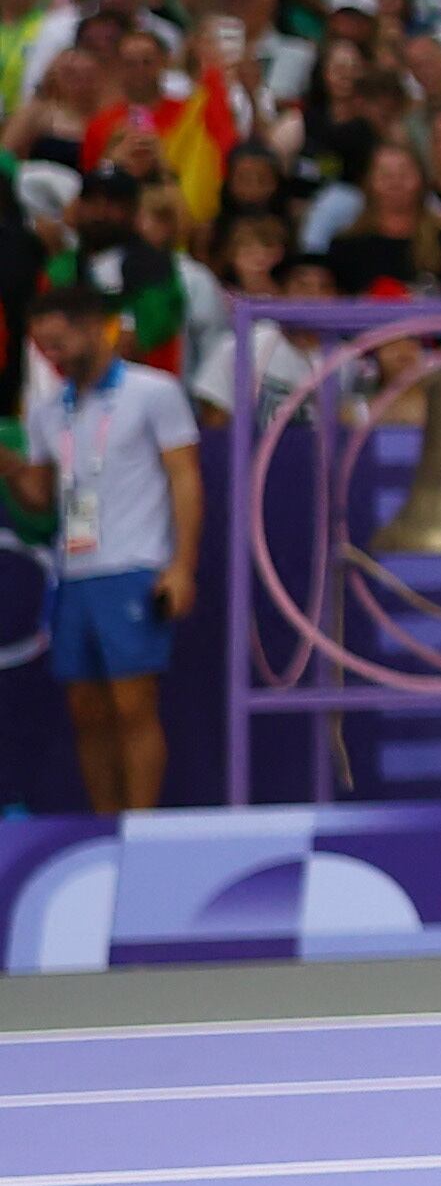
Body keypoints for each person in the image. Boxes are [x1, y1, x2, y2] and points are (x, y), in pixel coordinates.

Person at [12, 274, 201, 810]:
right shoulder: (49, 411)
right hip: (74, 574)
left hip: (135, 566)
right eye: (43, 349)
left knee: (132, 706)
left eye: (59, 344)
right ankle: (105, 826)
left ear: (95, 328)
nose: (52, 358)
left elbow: (185, 479)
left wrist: (181, 566)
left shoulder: (153, 392)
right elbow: (42, 502)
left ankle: (139, 827)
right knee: (86, 711)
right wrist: (11, 469)